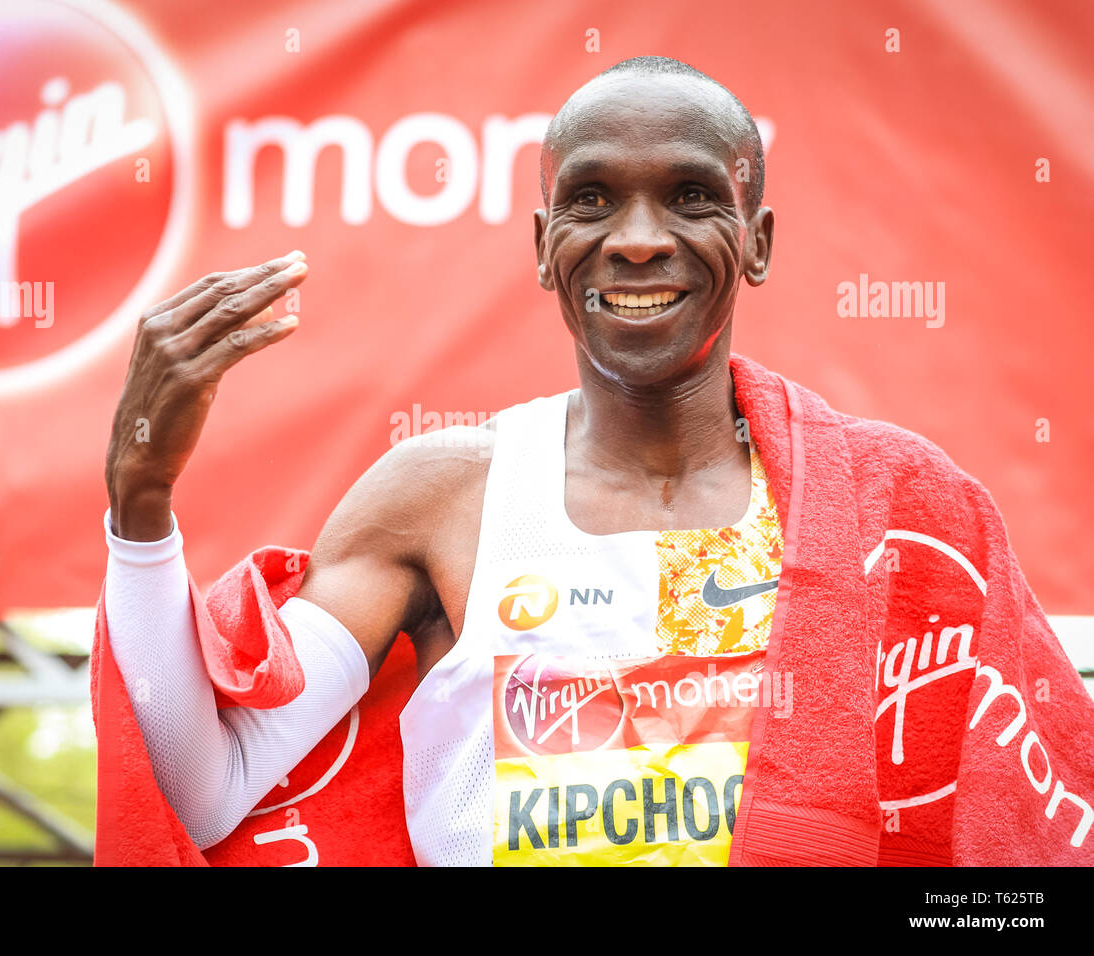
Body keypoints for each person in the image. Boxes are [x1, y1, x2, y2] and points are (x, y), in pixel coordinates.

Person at [96, 56, 1094, 867]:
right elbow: (209, 782)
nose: (638, 240)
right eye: (592, 200)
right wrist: (139, 501)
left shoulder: (893, 510)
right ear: (543, 246)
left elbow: (1017, 820)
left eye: (692, 195)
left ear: (756, 241)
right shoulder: (444, 496)